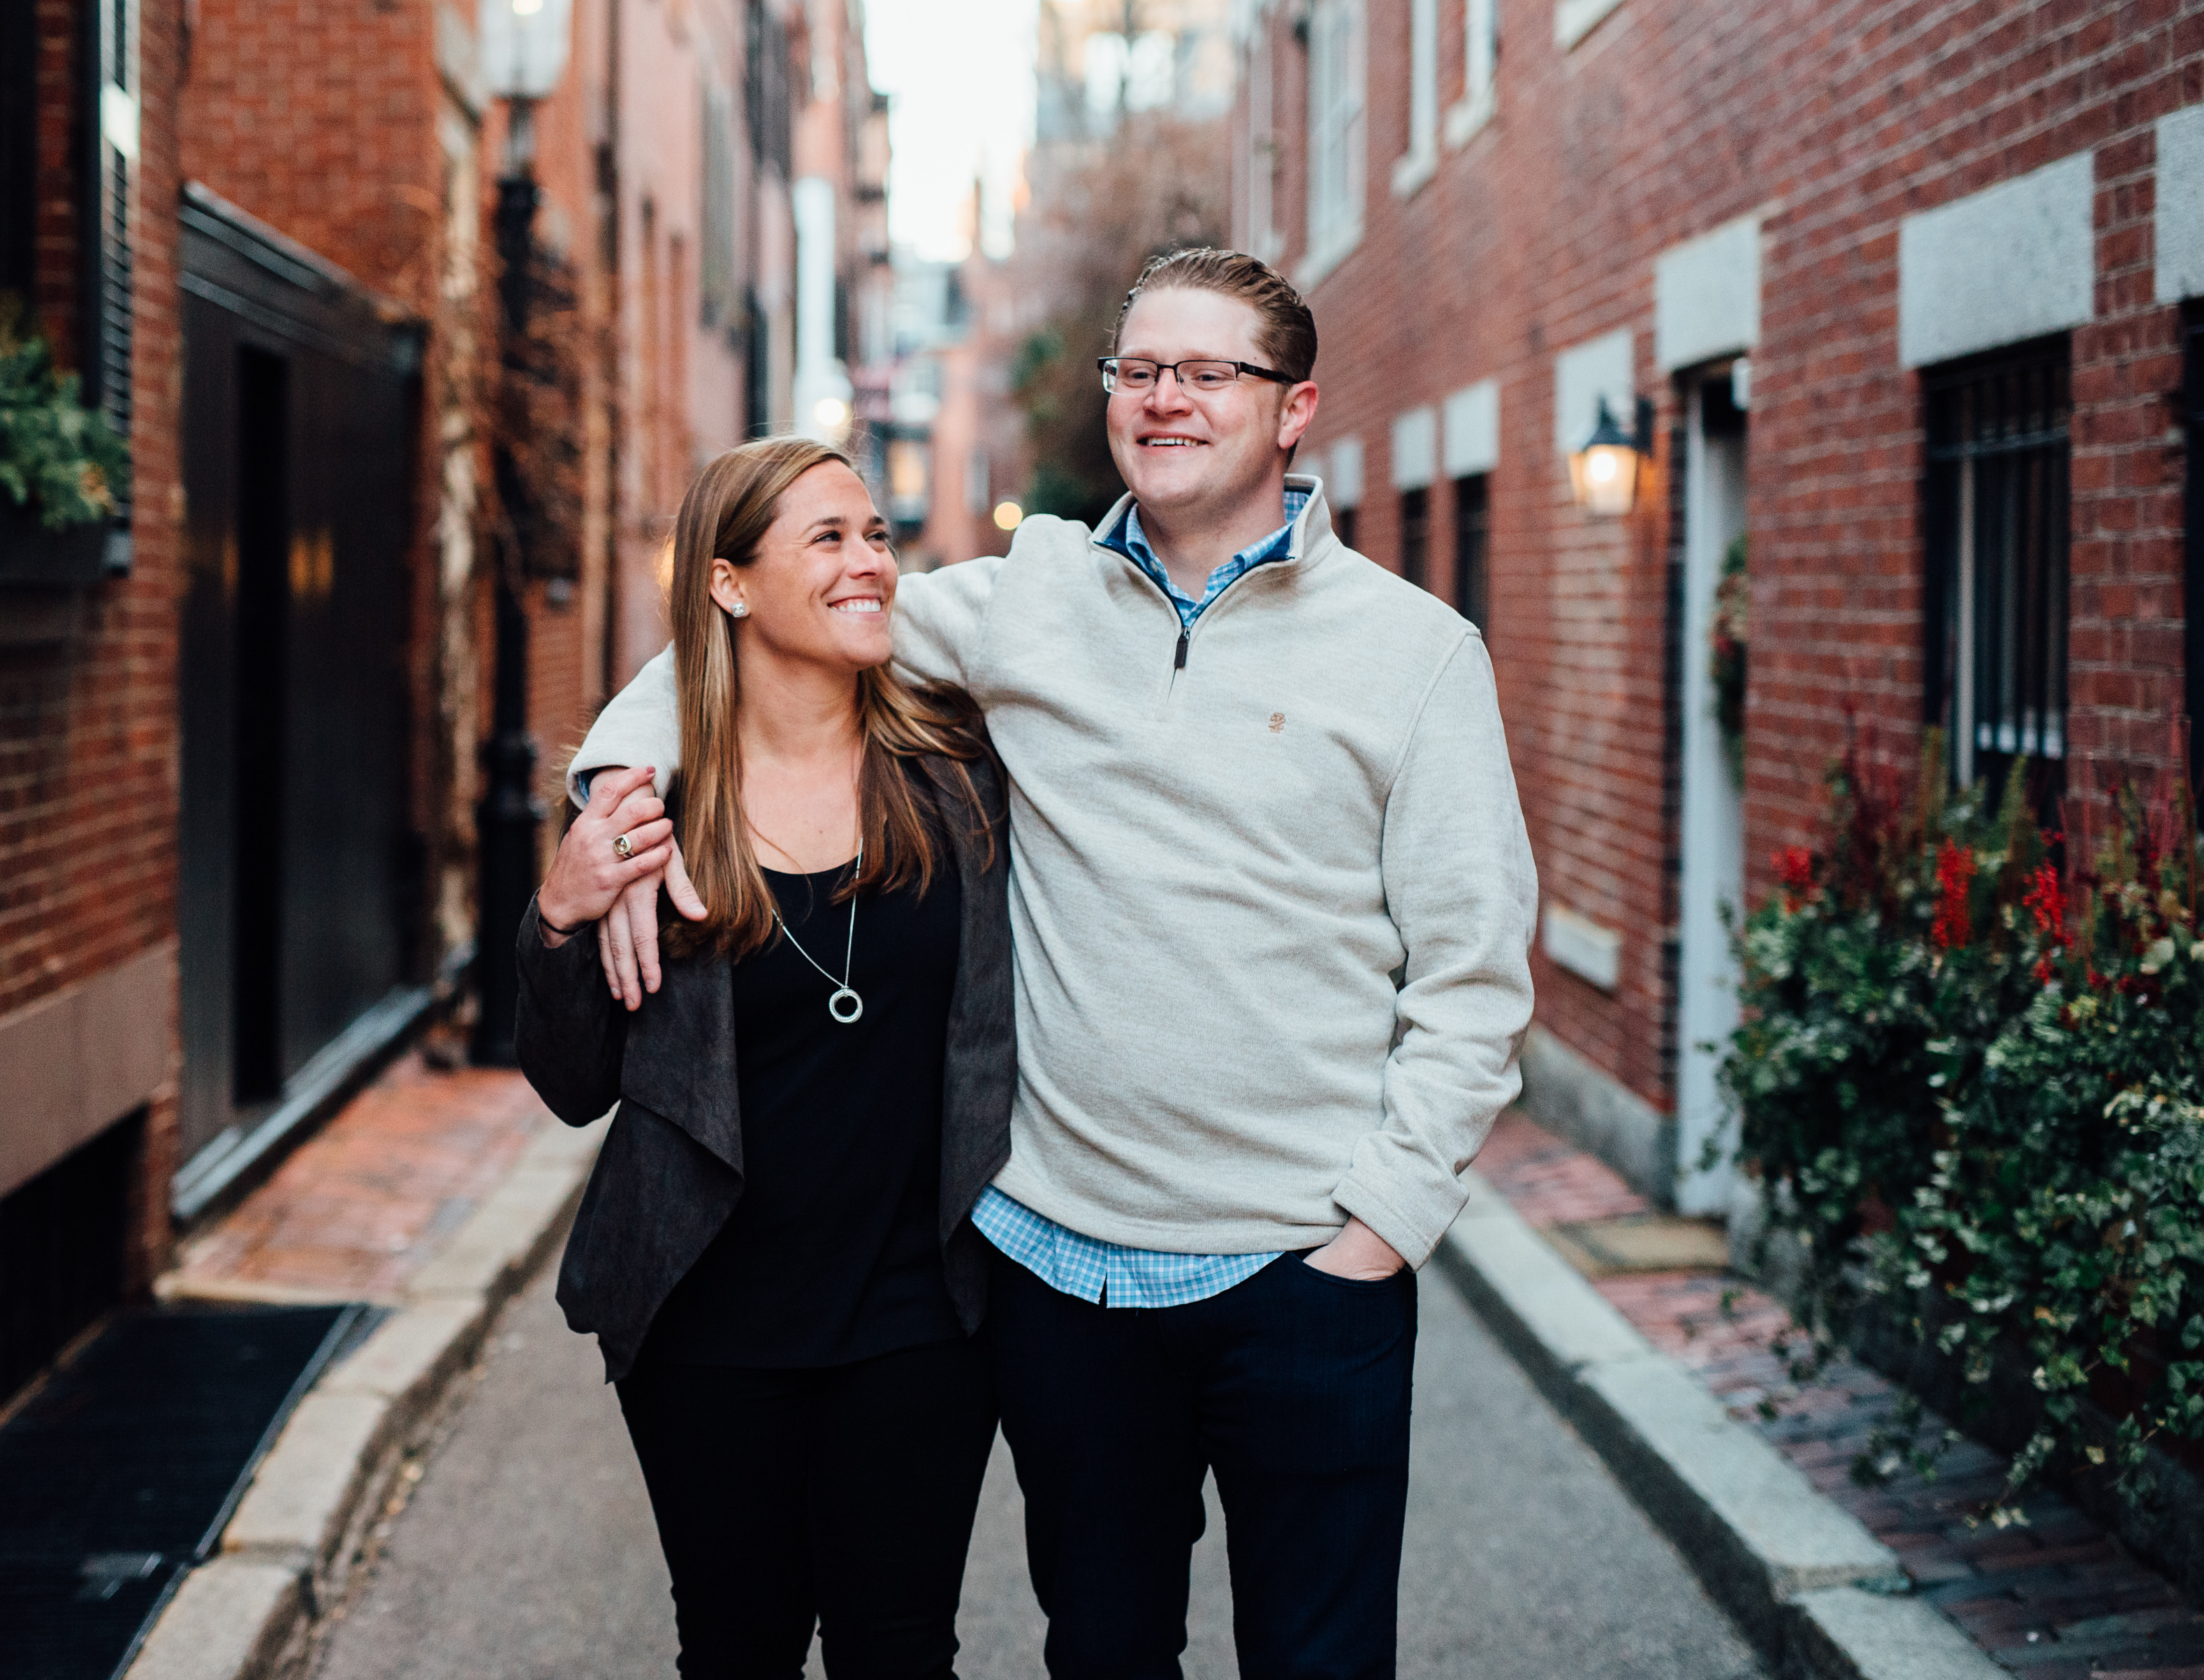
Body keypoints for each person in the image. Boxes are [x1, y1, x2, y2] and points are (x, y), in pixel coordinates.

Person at [569, 249, 1539, 1680]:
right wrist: (609, 785)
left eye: (1208, 373)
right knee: (1100, 1654)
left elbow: (1474, 977)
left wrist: (1379, 1227)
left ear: (1294, 410)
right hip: (1066, 1268)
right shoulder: (1027, 599)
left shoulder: (1417, 654)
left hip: (1303, 1269)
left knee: (1321, 1663)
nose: (1164, 400)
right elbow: (766, 642)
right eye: (1139, 371)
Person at [515, 435, 1016, 1680]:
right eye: (829, 540)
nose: (870, 565)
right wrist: (563, 916)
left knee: (901, 1652)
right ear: (729, 584)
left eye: (877, 536)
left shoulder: (958, 775)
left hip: (919, 1312)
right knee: (735, 1650)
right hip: (705, 1316)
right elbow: (573, 1084)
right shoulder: (651, 813)